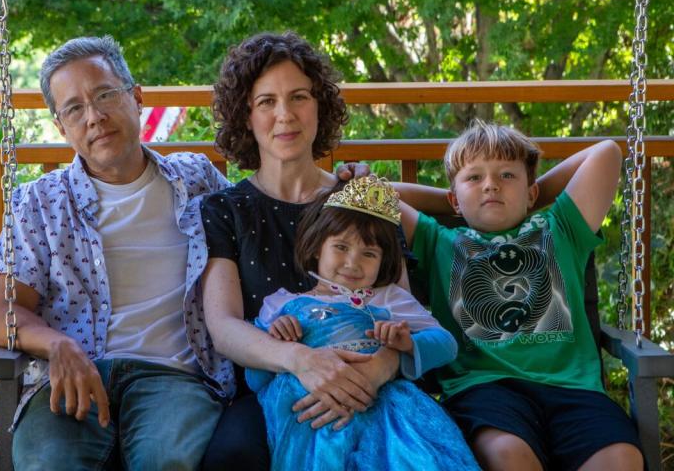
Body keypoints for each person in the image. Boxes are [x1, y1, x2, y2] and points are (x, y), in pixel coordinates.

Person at [0, 35, 234, 470]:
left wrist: (356, 185)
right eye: (75, 109)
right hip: (71, 379)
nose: (95, 117)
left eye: (105, 95)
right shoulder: (38, 204)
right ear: (61, 127)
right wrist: (58, 343)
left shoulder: (195, 180)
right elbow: (4, 315)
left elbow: (266, 219)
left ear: (136, 98)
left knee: (168, 463)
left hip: (173, 377)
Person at [199, 32, 402, 470]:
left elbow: (405, 310)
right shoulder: (226, 209)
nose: (285, 115)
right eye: (266, 102)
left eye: (299, 97)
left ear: (320, 106)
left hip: (371, 380)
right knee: (230, 457)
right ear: (246, 117)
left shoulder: (360, 196)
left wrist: (376, 372)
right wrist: (302, 361)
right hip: (272, 384)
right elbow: (223, 325)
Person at [396, 120, 643, 471]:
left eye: (507, 176)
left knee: (622, 458)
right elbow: (374, 192)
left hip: (573, 390)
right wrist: (452, 204)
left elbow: (607, 152)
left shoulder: (560, 229)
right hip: (486, 391)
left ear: (531, 194)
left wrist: (529, 193)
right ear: (454, 197)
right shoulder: (439, 240)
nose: (491, 185)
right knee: (507, 456)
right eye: (474, 178)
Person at [248, 176, 479, 471]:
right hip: (314, 416)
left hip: (387, 411)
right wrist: (275, 339)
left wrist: (406, 344)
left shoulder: (387, 298)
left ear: (383, 262)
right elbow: (255, 379)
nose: (352, 263)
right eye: (341, 247)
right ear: (318, 247)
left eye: (368, 254)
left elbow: (446, 345)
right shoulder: (280, 305)